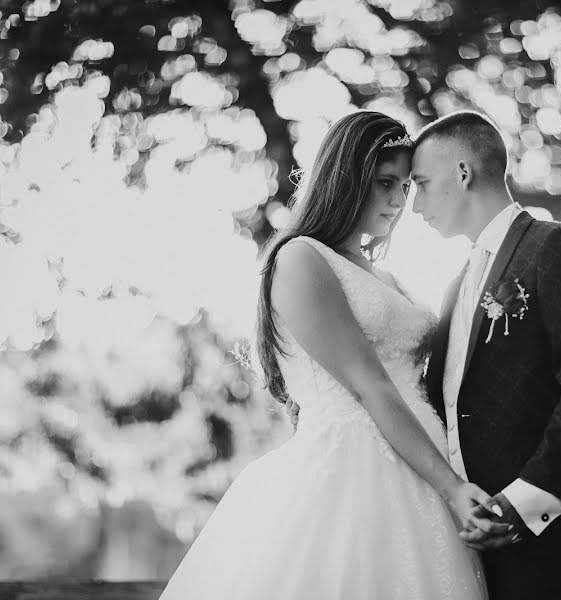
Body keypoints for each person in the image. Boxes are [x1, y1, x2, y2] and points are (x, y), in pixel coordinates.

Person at [158, 110, 501, 600]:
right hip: (355, 473)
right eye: (385, 182)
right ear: (346, 179)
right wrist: (451, 487)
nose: (399, 199)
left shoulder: (388, 278)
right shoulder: (302, 258)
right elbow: (370, 384)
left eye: (405, 185)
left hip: (423, 465)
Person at [413, 110, 561, 599]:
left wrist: (523, 504)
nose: (415, 204)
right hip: (473, 542)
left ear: (462, 173)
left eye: (421, 183)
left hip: (552, 544)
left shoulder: (556, 246)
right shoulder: (455, 286)